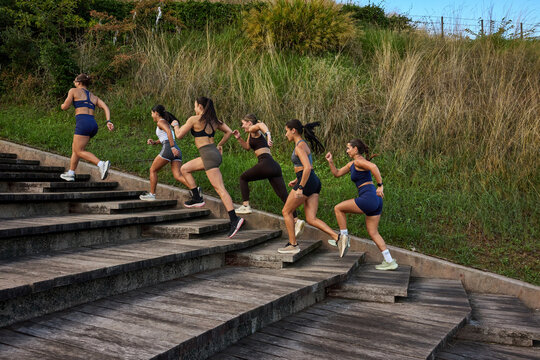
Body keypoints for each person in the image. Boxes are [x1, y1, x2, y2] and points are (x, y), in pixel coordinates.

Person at [171, 97, 245, 238]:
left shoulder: (194, 119)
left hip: (208, 156)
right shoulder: (214, 120)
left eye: (195, 106)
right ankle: (197, 197)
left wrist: (175, 125)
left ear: (199, 106)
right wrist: (220, 144)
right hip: (212, 154)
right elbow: (229, 132)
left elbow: (179, 135)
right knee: (184, 169)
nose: (194, 109)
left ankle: (235, 219)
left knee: (220, 189)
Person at [325, 139, 398, 270]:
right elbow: (336, 173)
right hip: (376, 200)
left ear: (355, 149)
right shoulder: (352, 164)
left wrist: (380, 185)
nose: (346, 151)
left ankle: (343, 238)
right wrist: (331, 162)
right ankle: (389, 261)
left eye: (348, 148)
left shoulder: (359, 161)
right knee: (373, 232)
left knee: (338, 208)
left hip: (369, 197)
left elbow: (374, 167)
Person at [232, 114, 305, 238]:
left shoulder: (254, 128)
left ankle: (246, 205)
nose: (242, 126)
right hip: (274, 167)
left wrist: (269, 135)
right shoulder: (251, 133)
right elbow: (248, 147)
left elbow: (261, 125)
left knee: (243, 178)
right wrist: (239, 138)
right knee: (284, 196)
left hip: (265, 163)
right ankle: (297, 220)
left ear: (249, 123)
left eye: (243, 123)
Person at [279, 119, 341, 255]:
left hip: (306, 182)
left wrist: (300, 186)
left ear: (293, 130)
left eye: (286, 131)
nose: (285, 135)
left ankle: (293, 244)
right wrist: (297, 179)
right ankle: (338, 237)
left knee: (286, 212)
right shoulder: (303, 144)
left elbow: (307, 167)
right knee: (311, 218)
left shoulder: (299, 147)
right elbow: (307, 167)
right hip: (313, 181)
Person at [60, 73, 113, 181]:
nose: (74, 83)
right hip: (93, 124)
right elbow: (105, 107)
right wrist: (108, 121)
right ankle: (71, 173)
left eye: (75, 81)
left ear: (79, 82)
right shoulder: (93, 96)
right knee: (76, 147)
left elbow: (65, 107)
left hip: (83, 122)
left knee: (78, 150)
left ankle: (101, 164)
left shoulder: (73, 91)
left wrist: (62, 105)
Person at [139, 105, 189, 201]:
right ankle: (195, 189)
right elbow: (165, 137)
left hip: (169, 148)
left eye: (152, 113)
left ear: (156, 113)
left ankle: (152, 194)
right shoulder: (165, 122)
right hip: (175, 148)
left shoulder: (160, 122)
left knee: (153, 170)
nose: (151, 115)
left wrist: (172, 147)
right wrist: (154, 142)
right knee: (178, 175)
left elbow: (169, 133)